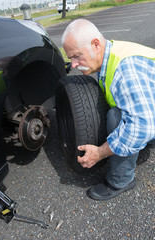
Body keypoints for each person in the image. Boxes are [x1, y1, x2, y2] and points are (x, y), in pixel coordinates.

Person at [61, 18, 155, 201]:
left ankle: (121, 180)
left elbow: (142, 126)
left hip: (148, 120)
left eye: (77, 56)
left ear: (95, 44)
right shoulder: (111, 52)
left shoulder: (124, 70)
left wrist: (100, 152)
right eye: (70, 58)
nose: (73, 64)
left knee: (117, 117)